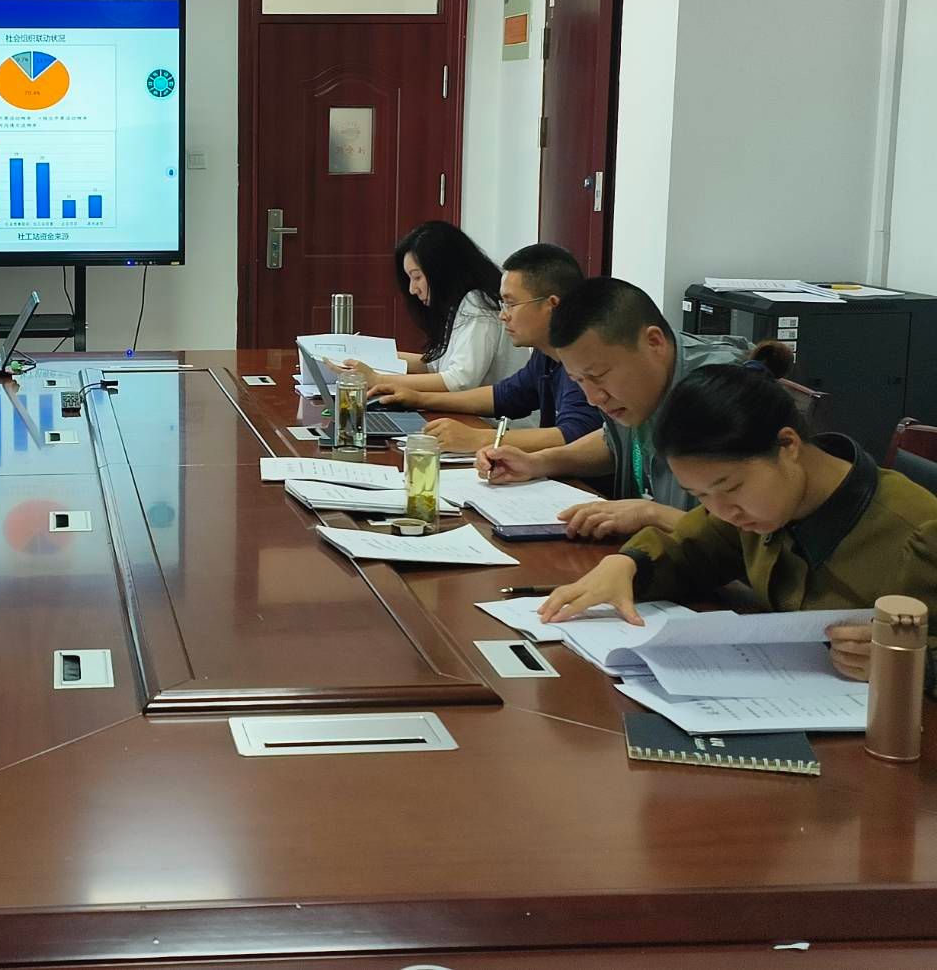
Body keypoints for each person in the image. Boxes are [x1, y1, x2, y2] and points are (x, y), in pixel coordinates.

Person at [536, 363, 937, 688]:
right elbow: (692, 549)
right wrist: (627, 565)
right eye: (700, 495)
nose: (722, 510)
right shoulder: (757, 507)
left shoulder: (918, 532)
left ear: (788, 445)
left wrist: (915, 664)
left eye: (729, 488)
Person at [477, 277, 770, 540]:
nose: (593, 398)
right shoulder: (631, 392)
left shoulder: (721, 392)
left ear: (653, 342)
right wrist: (538, 462)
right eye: (579, 381)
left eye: (599, 376)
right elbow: (611, 442)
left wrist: (651, 515)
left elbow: (753, 541)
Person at [367, 243, 601, 453]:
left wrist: (478, 438)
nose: (503, 315)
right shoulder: (546, 354)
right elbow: (504, 395)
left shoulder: (583, 359)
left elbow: (574, 435)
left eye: (511, 304)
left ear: (551, 305)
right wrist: (420, 399)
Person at [338, 221, 528, 395]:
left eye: (417, 277)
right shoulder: (458, 304)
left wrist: (378, 379)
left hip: (495, 420)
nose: (412, 289)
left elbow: (460, 381)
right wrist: (367, 355)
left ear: (442, 271)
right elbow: (434, 365)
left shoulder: (477, 303)